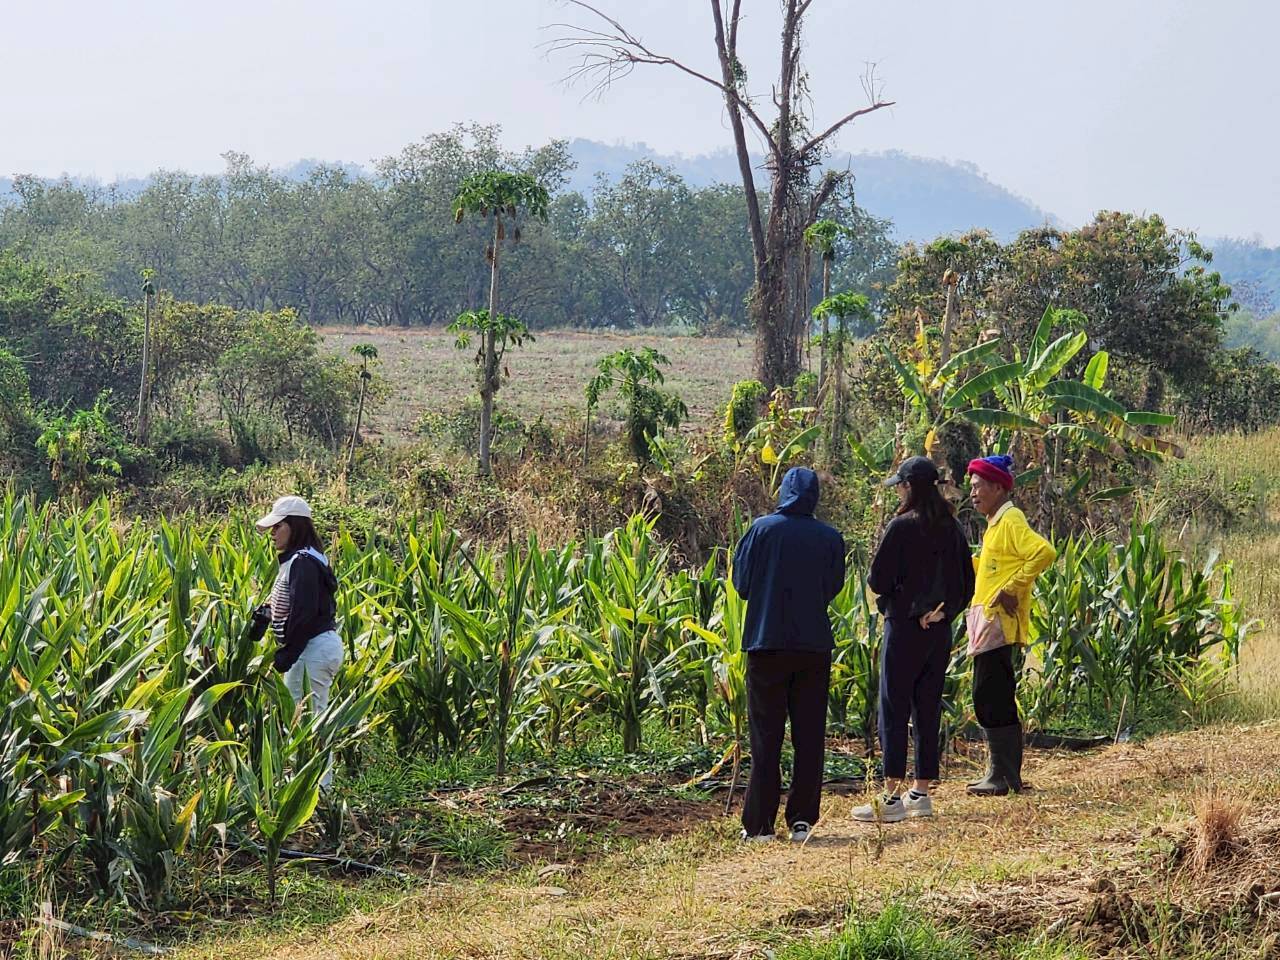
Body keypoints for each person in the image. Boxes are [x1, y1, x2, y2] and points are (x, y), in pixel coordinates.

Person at [853, 456, 975, 824]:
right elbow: (966, 584)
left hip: (903, 628)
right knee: (927, 704)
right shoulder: (952, 528)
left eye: (901, 485)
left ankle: (891, 796)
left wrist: (905, 604)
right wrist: (941, 611)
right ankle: (920, 790)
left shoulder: (901, 527)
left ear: (909, 487)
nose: (899, 492)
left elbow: (877, 580)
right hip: (937, 629)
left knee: (894, 706)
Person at [732, 467, 846, 843]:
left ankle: (759, 825)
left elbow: (742, 584)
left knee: (766, 736)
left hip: (767, 644)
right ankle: (801, 820)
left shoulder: (761, 530)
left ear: (781, 492)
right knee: (809, 735)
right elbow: (832, 588)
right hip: (813, 646)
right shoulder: (831, 538)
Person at [964, 455, 1056, 796]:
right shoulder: (994, 524)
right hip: (986, 619)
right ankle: (999, 771)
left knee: (992, 693)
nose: (973, 494)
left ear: (999, 487)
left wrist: (1013, 587)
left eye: (978, 487)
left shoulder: (1011, 518)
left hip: (999, 620)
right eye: (971, 488)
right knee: (988, 692)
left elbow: (1044, 552)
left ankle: (1004, 775)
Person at [255, 495, 344, 786]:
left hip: (312, 650)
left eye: (277, 527)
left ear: (294, 527)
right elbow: (295, 605)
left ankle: (316, 792)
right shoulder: (304, 560)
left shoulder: (303, 563)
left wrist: (288, 652)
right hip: (315, 648)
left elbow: (304, 613)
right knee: (305, 719)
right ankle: (309, 789)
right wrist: (266, 616)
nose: (272, 534)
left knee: (306, 722)